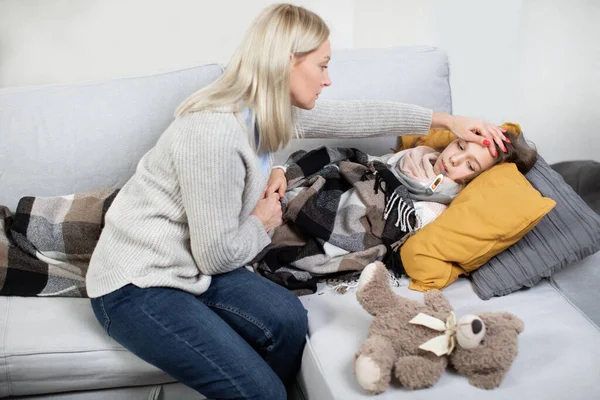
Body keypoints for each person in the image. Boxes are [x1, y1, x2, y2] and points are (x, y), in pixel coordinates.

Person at [85, 3, 510, 399]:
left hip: (192, 264)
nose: (328, 79)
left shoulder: (263, 111)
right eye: (323, 66)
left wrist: (448, 120)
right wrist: (263, 219)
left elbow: (352, 116)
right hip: (140, 284)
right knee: (265, 393)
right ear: (288, 60)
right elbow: (216, 256)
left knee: (288, 319)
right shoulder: (213, 133)